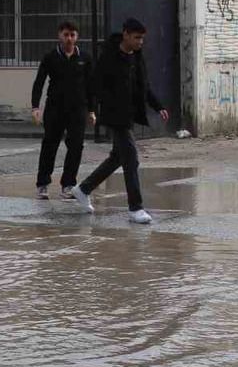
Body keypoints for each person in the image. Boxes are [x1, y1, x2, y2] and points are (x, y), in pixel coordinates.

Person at [68, 18, 169, 224]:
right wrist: (97, 107)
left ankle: (84, 189)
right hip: (115, 115)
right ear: (126, 35)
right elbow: (95, 84)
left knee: (117, 158)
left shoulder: (137, 56)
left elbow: (144, 86)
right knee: (131, 157)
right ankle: (135, 208)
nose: (140, 42)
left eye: (142, 38)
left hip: (129, 114)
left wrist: (158, 106)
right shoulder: (109, 56)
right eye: (137, 38)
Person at [31, 21, 96, 200]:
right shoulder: (50, 57)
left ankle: (68, 184)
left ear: (77, 37)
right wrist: (35, 107)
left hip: (78, 109)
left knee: (76, 146)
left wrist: (92, 110)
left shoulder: (85, 58)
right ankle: (43, 184)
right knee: (50, 144)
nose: (69, 38)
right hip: (55, 108)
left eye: (72, 35)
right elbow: (39, 82)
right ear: (59, 35)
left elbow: (91, 86)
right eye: (66, 34)